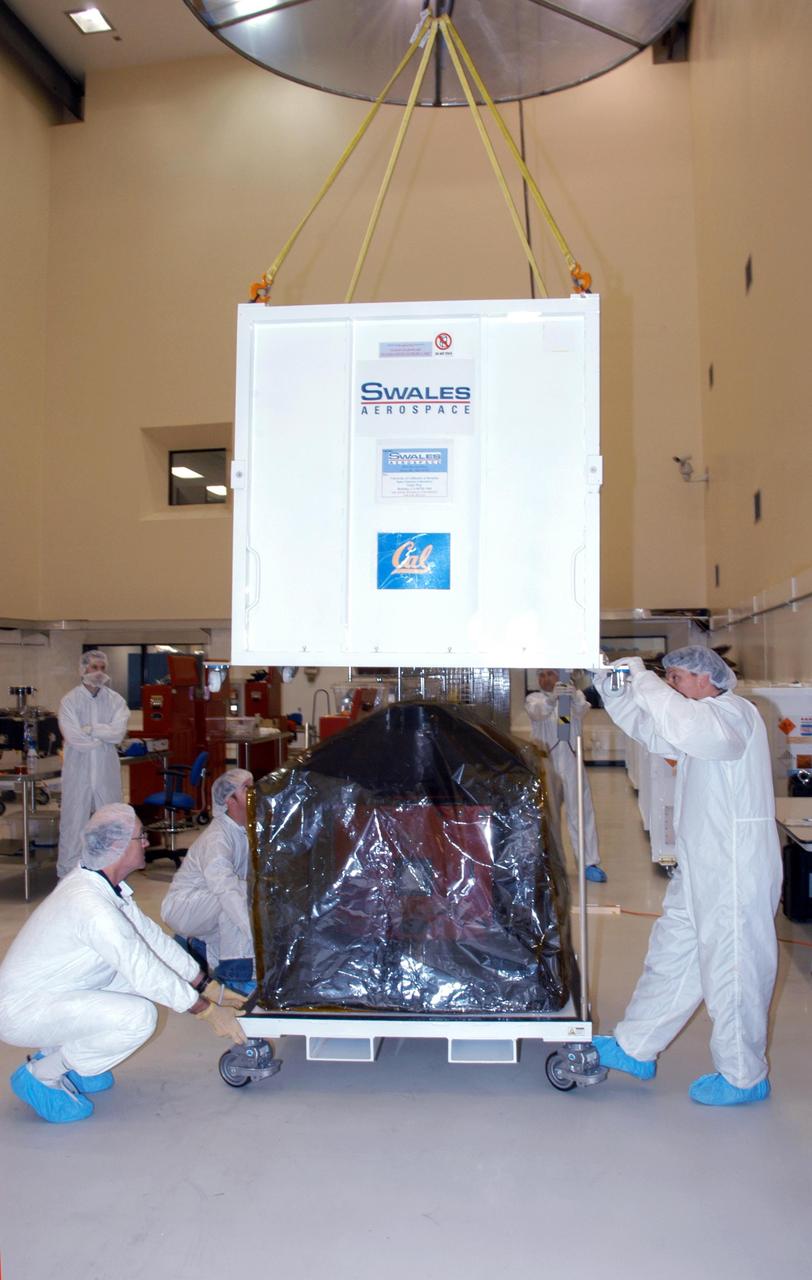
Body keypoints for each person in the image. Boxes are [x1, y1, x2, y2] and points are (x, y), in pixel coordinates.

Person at [595, 646, 782, 1106]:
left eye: (678, 677)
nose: (673, 685)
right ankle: (636, 1045)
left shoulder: (733, 715)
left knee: (733, 967)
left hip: (734, 872)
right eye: (670, 678)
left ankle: (743, 1075)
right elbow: (652, 729)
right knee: (674, 954)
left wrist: (642, 677)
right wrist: (611, 684)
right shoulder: (704, 723)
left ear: (706, 679)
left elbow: (679, 722)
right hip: (703, 866)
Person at [0, 804, 247, 1124]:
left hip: (53, 992)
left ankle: (71, 1060)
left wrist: (209, 986)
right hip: (23, 1011)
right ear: (117, 846)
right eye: (140, 836)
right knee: (139, 1015)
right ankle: (42, 1073)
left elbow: (152, 940)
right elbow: (144, 969)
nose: (146, 842)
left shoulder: (101, 885)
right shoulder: (91, 906)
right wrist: (208, 1012)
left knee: (137, 986)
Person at [160, 769, 255, 991]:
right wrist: (253, 936)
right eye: (247, 789)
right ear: (229, 800)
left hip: (204, 905)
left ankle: (194, 947)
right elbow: (226, 889)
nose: (255, 793)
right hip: (184, 907)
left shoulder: (243, 830)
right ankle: (236, 978)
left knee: (247, 894)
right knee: (237, 897)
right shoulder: (218, 838)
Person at [525, 669, 606, 882]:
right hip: (545, 763)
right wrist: (552, 700)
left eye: (550, 674)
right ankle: (544, 863)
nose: (545, 679)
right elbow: (537, 713)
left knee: (580, 812)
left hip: (570, 760)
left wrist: (572, 697)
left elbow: (581, 711)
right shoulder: (534, 699)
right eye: (540, 675)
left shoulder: (574, 696)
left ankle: (588, 863)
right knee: (545, 815)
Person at [57, 649, 130, 878]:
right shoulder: (70, 701)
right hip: (78, 770)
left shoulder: (116, 701)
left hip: (106, 770)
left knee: (110, 822)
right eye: (93, 668)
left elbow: (118, 734)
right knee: (73, 823)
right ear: (83, 669)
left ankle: (110, 873)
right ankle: (67, 876)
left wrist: (90, 730)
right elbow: (74, 737)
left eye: (102, 668)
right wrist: (101, 735)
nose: (98, 673)